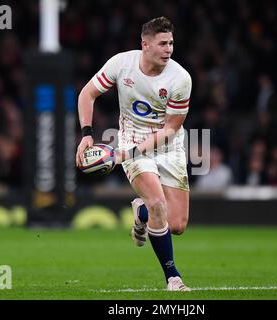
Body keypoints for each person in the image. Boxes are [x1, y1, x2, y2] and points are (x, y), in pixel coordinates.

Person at [75, 17, 192, 291]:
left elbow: (172, 128)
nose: (169, 49)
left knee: (176, 225)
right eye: (162, 43)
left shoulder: (180, 78)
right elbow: (86, 95)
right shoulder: (121, 64)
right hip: (132, 139)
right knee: (157, 204)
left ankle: (140, 214)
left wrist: (125, 154)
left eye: (171, 43)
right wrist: (87, 134)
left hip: (168, 145)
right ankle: (173, 278)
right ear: (145, 45)